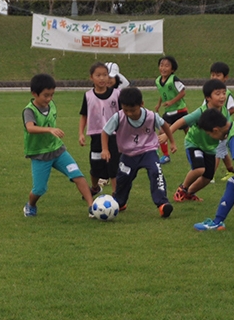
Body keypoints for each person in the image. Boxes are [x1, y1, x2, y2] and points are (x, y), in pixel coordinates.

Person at [22, 73, 94, 217]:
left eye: (52, 95)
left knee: (77, 175)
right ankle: (30, 205)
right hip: (40, 154)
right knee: (39, 189)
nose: (49, 99)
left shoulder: (51, 105)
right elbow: (30, 128)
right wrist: (49, 129)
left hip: (58, 151)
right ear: (34, 94)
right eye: (46, 95)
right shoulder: (29, 110)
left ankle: (92, 207)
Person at [101, 87, 176, 218]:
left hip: (149, 151)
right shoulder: (118, 117)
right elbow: (105, 132)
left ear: (141, 104)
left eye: (132, 110)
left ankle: (163, 204)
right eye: (126, 110)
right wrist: (105, 149)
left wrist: (172, 142)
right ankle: (120, 202)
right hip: (128, 154)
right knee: (123, 179)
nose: (129, 113)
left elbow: (165, 125)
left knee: (156, 172)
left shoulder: (151, 116)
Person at [162, 79, 231, 202]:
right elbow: (181, 121)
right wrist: (167, 135)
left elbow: (228, 128)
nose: (222, 97)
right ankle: (182, 189)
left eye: (224, 93)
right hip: (194, 144)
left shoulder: (225, 112)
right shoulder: (200, 112)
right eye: (218, 93)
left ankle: (189, 193)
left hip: (210, 147)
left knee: (208, 176)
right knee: (199, 169)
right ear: (208, 98)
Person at [79, 62, 121, 195]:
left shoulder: (116, 94)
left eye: (105, 75)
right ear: (91, 77)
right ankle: (95, 187)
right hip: (96, 135)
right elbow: (84, 115)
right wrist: (81, 133)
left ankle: (116, 193)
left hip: (114, 135)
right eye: (98, 75)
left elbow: (123, 114)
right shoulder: (88, 96)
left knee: (113, 165)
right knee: (95, 165)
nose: (102, 78)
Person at [154, 55, 188, 165]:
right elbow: (162, 93)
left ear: (172, 69)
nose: (163, 68)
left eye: (167, 66)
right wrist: (159, 104)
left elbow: (183, 92)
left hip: (180, 110)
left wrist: (172, 102)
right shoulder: (158, 80)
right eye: (161, 65)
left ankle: (193, 150)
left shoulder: (174, 79)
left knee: (188, 133)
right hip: (169, 112)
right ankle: (165, 155)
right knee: (162, 131)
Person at [210, 62, 234, 181]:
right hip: (214, 126)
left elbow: (232, 109)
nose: (214, 78)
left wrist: (220, 117)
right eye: (212, 75)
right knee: (222, 151)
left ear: (225, 78)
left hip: (223, 127)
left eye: (218, 75)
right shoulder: (209, 91)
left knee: (217, 151)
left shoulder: (226, 93)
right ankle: (231, 171)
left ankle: (209, 176)